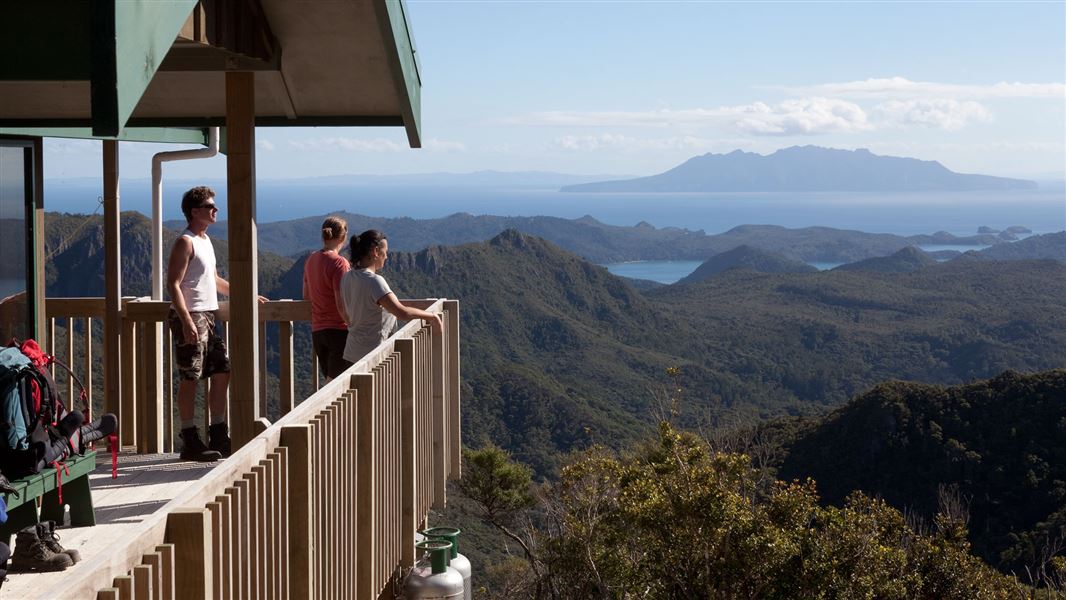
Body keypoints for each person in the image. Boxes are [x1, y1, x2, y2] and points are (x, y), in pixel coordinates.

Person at [166, 186, 255, 462]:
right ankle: (189, 439)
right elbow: (173, 284)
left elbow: (214, 280)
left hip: (209, 315)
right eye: (209, 206)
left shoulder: (206, 241)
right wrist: (185, 320)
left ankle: (218, 433)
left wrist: (246, 294)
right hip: (191, 315)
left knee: (221, 372)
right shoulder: (186, 241)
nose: (215, 210)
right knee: (191, 377)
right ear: (195, 211)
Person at [340, 230, 442, 364]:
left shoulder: (347, 277)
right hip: (372, 356)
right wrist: (432, 317)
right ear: (376, 251)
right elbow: (401, 312)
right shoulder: (374, 281)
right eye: (385, 251)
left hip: (351, 353)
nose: (386, 256)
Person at [303, 216, 352, 380]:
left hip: (318, 331)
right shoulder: (340, 263)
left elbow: (306, 295)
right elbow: (341, 300)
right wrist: (352, 324)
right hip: (338, 331)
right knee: (337, 389)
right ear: (343, 238)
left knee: (330, 383)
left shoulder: (311, 259)